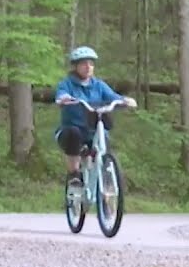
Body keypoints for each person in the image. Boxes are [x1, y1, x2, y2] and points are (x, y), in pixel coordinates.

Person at [53, 46, 135, 185]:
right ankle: (74, 174)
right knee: (74, 134)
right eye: (84, 63)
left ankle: (106, 176)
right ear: (76, 66)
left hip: (94, 131)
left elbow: (112, 96)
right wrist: (64, 98)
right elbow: (61, 94)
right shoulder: (67, 84)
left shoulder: (99, 85)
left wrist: (124, 100)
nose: (88, 67)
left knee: (105, 135)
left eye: (91, 64)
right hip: (73, 132)